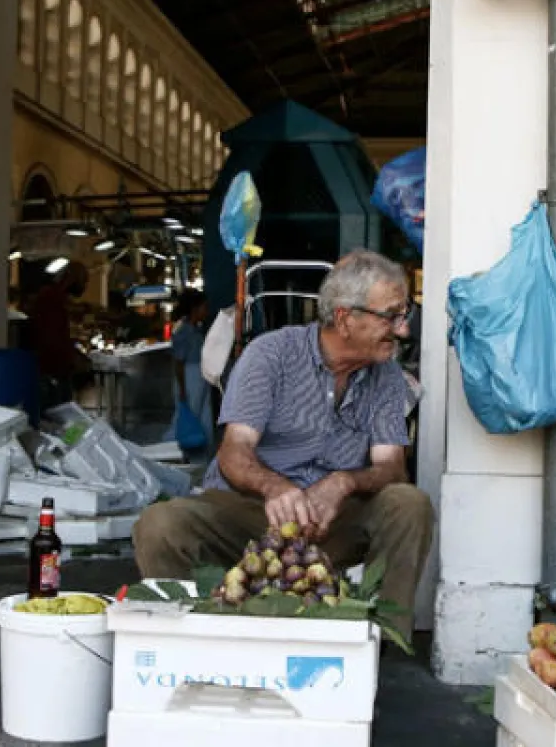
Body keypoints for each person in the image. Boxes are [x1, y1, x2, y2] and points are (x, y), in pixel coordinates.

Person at [132, 250, 434, 637]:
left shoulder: (386, 375)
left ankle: (380, 643)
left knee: (409, 504)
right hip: (251, 511)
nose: (403, 329)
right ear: (345, 318)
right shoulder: (271, 354)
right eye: (391, 316)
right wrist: (274, 487)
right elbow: (234, 451)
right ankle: (188, 640)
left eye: (403, 314)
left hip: (334, 521)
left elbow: (391, 467)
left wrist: (344, 482)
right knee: (159, 524)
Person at [25, 260, 90, 408]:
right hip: (51, 372)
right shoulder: (51, 299)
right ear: (72, 278)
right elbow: (51, 338)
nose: (85, 286)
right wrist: (71, 357)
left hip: (53, 369)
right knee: (58, 415)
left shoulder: (54, 298)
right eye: (84, 281)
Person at [167, 288, 214, 460]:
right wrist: (182, 388)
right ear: (195, 309)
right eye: (204, 307)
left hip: (200, 376)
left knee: (203, 417)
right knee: (187, 416)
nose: (206, 311)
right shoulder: (183, 331)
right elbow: (178, 362)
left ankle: (201, 457)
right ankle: (171, 451)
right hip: (189, 376)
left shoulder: (196, 330)